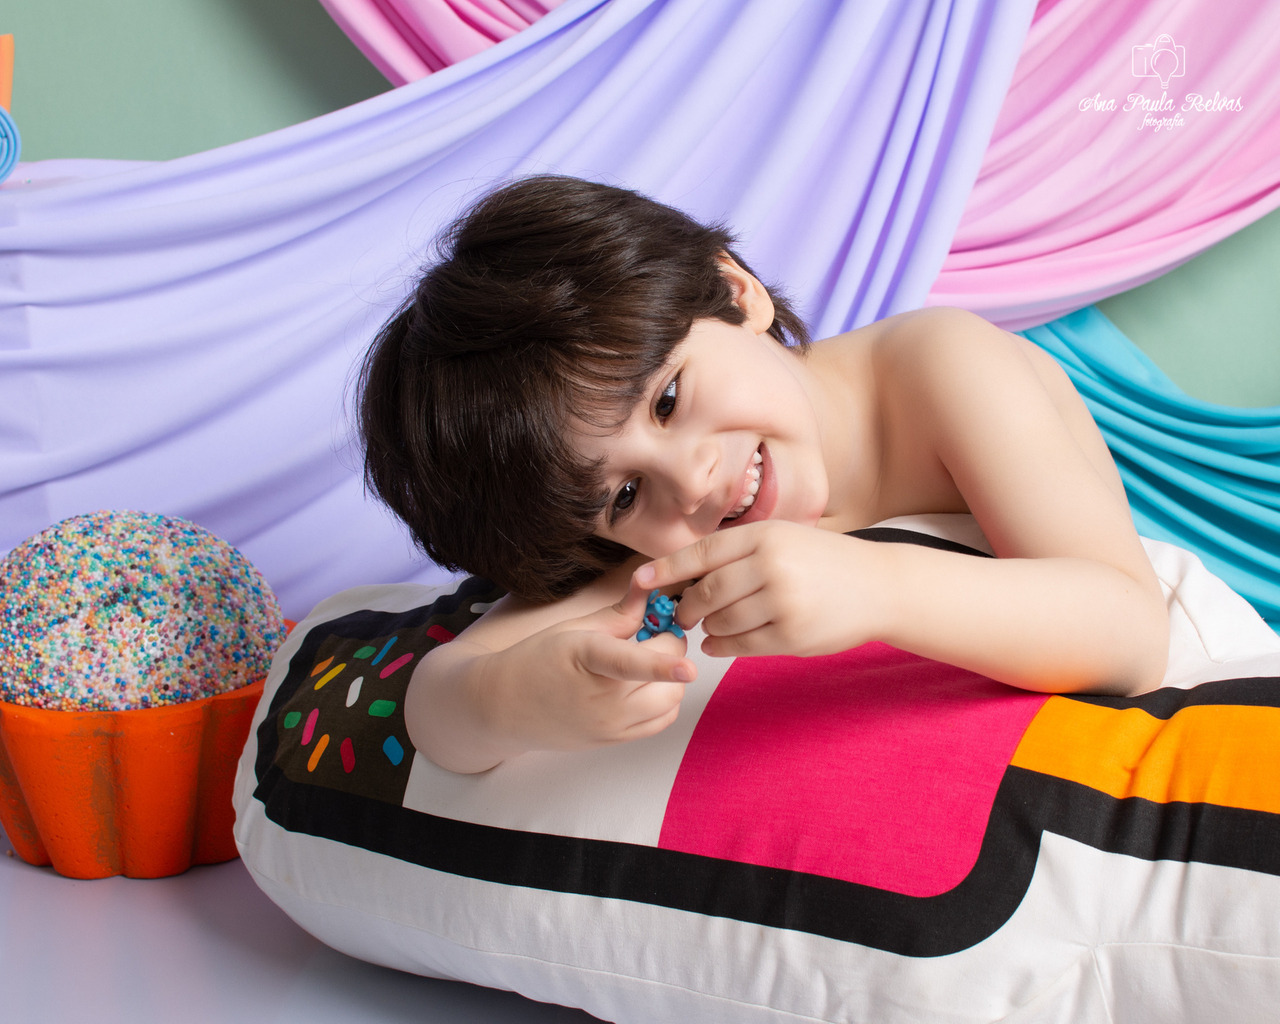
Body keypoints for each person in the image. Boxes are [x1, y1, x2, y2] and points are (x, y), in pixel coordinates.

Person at [358, 175, 1169, 774]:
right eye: (624, 494)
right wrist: (512, 700)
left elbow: (1131, 634)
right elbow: (438, 702)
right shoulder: (664, 546)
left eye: (668, 399)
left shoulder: (942, 367)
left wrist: (878, 585)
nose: (690, 481)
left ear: (736, 293)